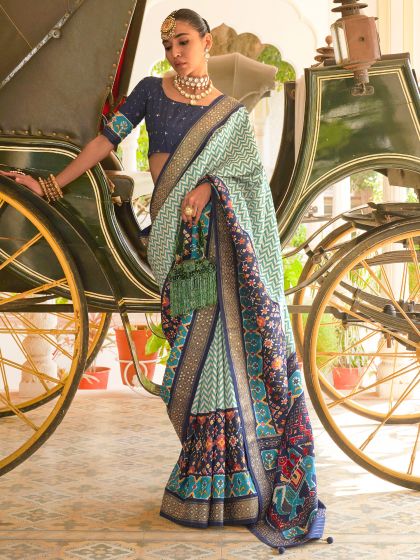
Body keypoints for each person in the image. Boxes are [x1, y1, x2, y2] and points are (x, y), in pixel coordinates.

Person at [0, 8, 330, 554]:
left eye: (182, 41)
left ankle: (242, 489)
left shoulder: (229, 115)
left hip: (221, 235)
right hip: (174, 238)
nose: (175, 51)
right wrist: (51, 185)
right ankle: (204, 480)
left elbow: (246, 177)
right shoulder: (151, 91)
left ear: (204, 42)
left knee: (228, 357)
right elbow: (106, 143)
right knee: (198, 363)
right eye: (167, 43)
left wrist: (210, 186)